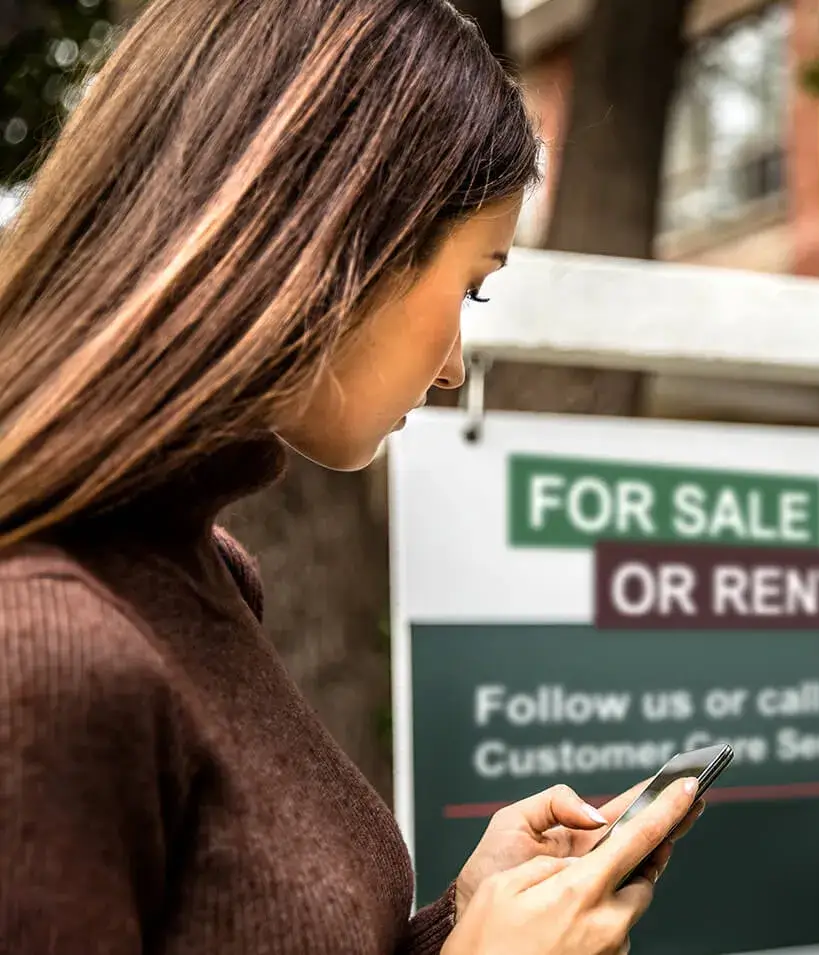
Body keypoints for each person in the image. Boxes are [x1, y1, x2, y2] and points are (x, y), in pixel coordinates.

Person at [0, 0, 701, 952]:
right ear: (340, 240)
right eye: (471, 284)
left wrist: (463, 917)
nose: (454, 362)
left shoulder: (206, 573)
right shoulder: (42, 643)